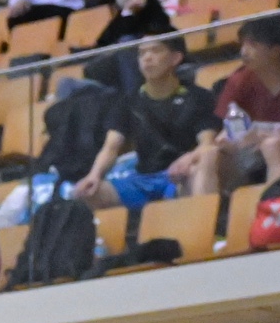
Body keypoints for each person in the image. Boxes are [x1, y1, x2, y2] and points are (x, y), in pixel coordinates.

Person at [76, 36, 221, 207]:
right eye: (142, 53)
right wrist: (94, 175)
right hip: (142, 179)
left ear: (175, 58)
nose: (147, 58)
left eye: (155, 51)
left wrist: (189, 159)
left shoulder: (198, 97)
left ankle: (205, 221)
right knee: (90, 193)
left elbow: (207, 143)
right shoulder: (128, 101)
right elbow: (111, 146)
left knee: (198, 170)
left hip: (179, 174)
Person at [216, 14, 280, 194]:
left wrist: (274, 138)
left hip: (277, 147)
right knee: (212, 156)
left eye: (253, 45)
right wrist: (230, 140)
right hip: (255, 152)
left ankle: (275, 207)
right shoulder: (239, 80)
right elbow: (230, 127)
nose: (244, 52)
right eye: (242, 45)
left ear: (276, 51)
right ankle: (219, 209)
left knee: (273, 146)